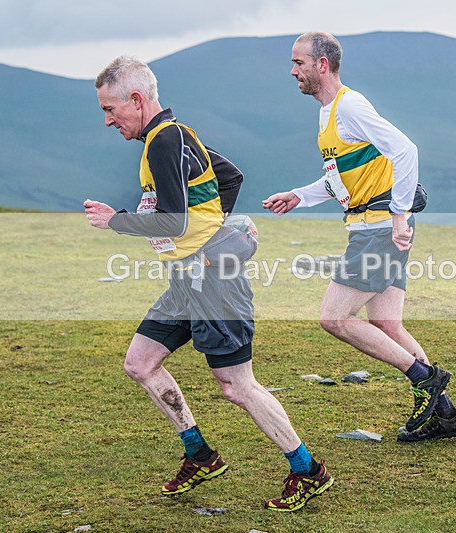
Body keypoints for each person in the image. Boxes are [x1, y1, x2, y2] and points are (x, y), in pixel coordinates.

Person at [84, 56, 332, 512]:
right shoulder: (174, 136)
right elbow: (230, 177)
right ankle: (199, 454)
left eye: (109, 109)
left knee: (237, 386)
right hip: (187, 281)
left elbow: (174, 221)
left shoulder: (165, 140)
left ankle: (308, 470)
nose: (107, 120)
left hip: (215, 286)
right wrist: (212, 234)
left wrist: (115, 221)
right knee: (140, 363)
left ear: (135, 99)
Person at [263, 32, 456, 442]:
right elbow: (340, 179)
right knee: (387, 324)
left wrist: (400, 214)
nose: (292, 71)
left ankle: (424, 378)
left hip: (378, 228)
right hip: (370, 226)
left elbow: (405, 151)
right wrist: (299, 196)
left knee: (334, 318)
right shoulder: (328, 115)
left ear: (322, 65)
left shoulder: (349, 106)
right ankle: (445, 416)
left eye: (299, 62)